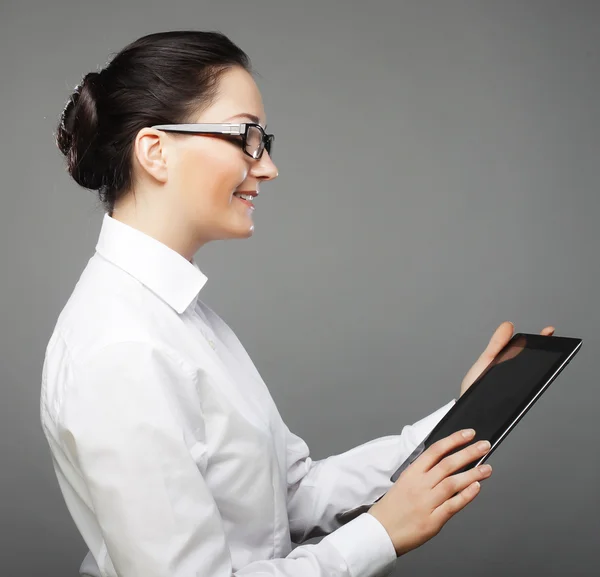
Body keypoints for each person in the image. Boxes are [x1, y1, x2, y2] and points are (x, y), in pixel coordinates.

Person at [40, 30, 555, 577]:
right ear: (156, 151)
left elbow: (293, 496)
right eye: (246, 136)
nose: (266, 167)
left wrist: (467, 414)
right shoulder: (122, 349)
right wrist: (381, 533)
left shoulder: (178, 316)